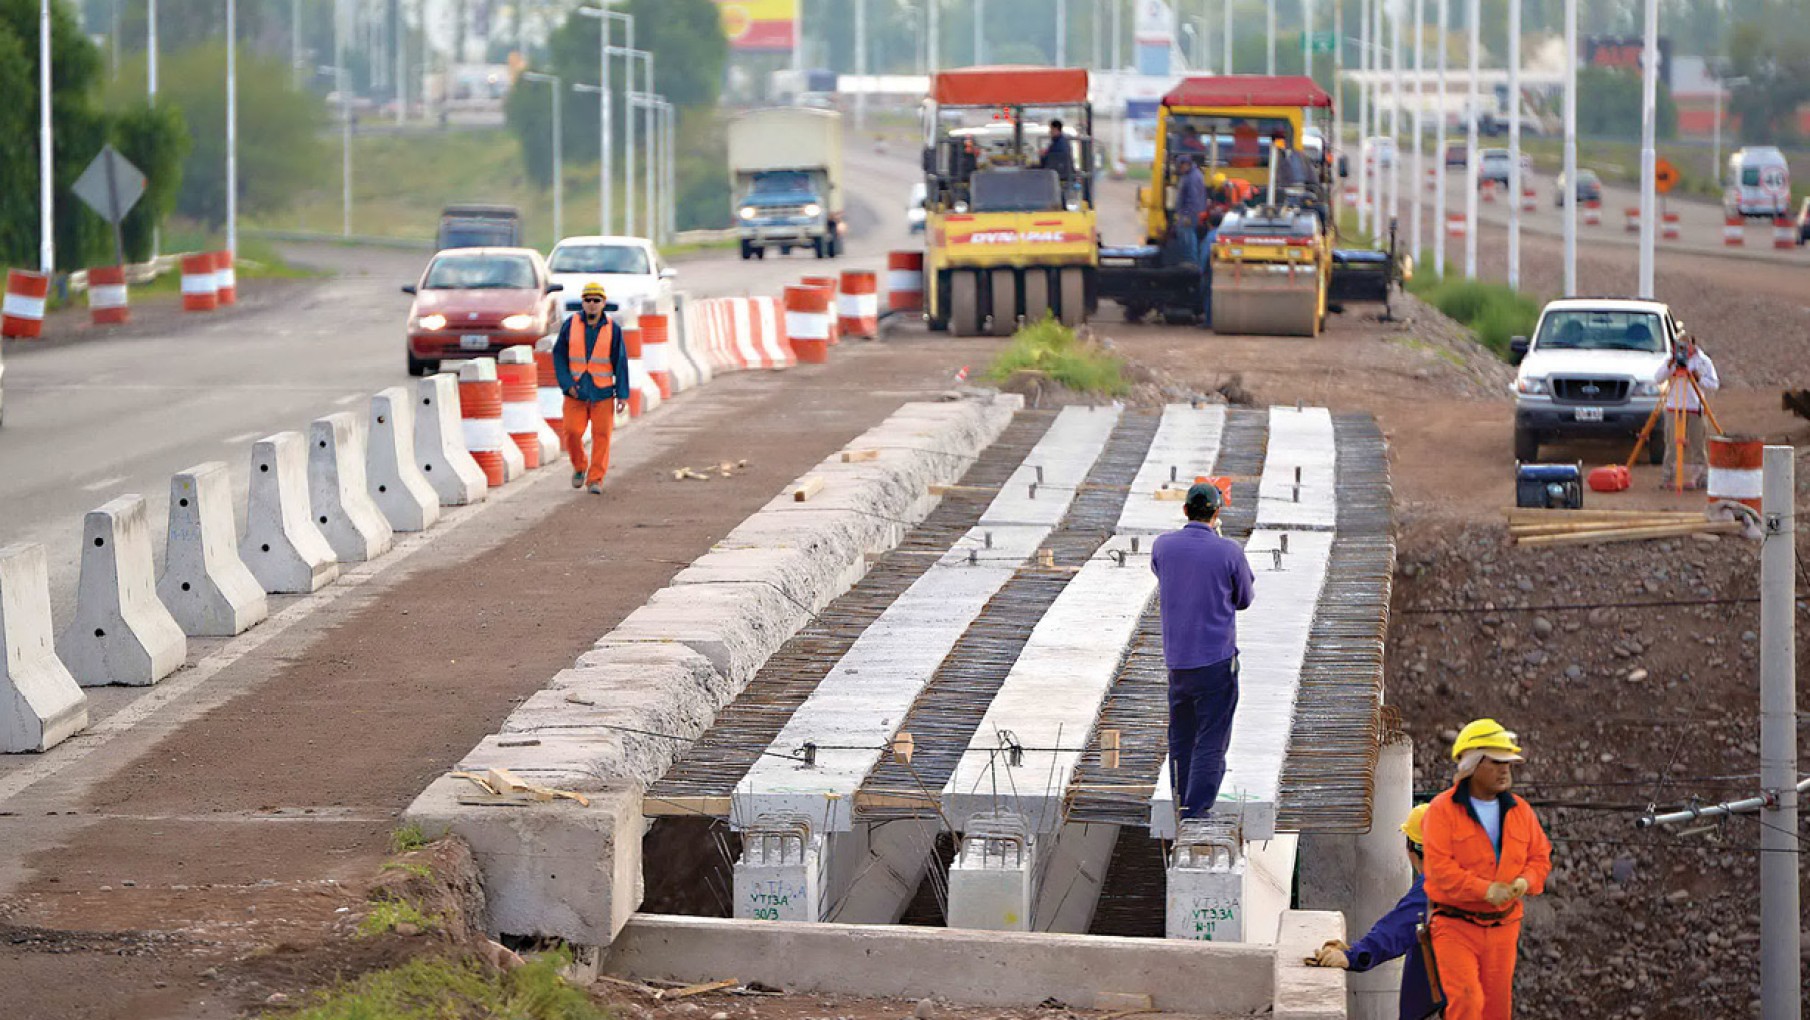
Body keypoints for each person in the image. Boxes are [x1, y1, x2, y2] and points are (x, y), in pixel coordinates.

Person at [1420, 719, 1552, 1020]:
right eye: (1496, 762)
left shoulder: (1520, 811)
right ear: (1473, 764)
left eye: (1509, 763)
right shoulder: (1442, 811)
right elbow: (1440, 869)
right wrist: (1484, 889)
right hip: (1455, 926)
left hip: (1503, 927)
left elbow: (1541, 858)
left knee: (1496, 1011)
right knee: (1466, 1001)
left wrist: (1524, 881)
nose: (1505, 770)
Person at [1150, 481, 1255, 820]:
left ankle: (1182, 802)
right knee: (1211, 738)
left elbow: (1161, 571)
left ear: (1185, 511)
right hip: (1216, 662)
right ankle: (1196, 813)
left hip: (1178, 663)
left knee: (1181, 738)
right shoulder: (1229, 552)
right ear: (1217, 512)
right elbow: (1244, 599)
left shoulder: (1163, 546)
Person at [1306, 804, 1445, 1020]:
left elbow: (1398, 928)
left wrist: (1352, 956)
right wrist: (1353, 947)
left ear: (1412, 848)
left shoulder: (1436, 885)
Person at [551, 281, 630, 494]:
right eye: (588, 300)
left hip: (602, 392)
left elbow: (620, 361)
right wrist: (567, 384)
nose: (592, 304)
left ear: (604, 303)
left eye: (596, 300)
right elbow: (558, 355)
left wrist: (622, 394)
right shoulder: (571, 324)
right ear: (582, 303)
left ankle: (595, 479)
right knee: (572, 432)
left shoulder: (613, 329)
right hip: (576, 392)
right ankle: (579, 466)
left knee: (601, 436)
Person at [1653, 332, 1719, 490]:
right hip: (1673, 407)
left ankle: (1701, 478)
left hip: (1695, 408)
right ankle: (1668, 478)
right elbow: (1657, 378)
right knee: (1671, 444)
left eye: (1685, 345)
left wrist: (1699, 378)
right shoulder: (1671, 360)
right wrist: (1670, 364)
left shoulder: (1703, 362)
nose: (1682, 349)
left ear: (1693, 345)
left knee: (1698, 445)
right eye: (1679, 346)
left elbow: (1714, 385)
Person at [1173, 155, 1209, 269]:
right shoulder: (1191, 175)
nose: (1179, 169)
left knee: (1187, 235)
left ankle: (1191, 261)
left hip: (1190, 213)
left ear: (1186, 164)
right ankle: (1189, 260)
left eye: (1180, 166)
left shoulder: (1192, 177)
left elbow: (1193, 198)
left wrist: (1187, 214)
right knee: (1186, 234)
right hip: (1189, 212)